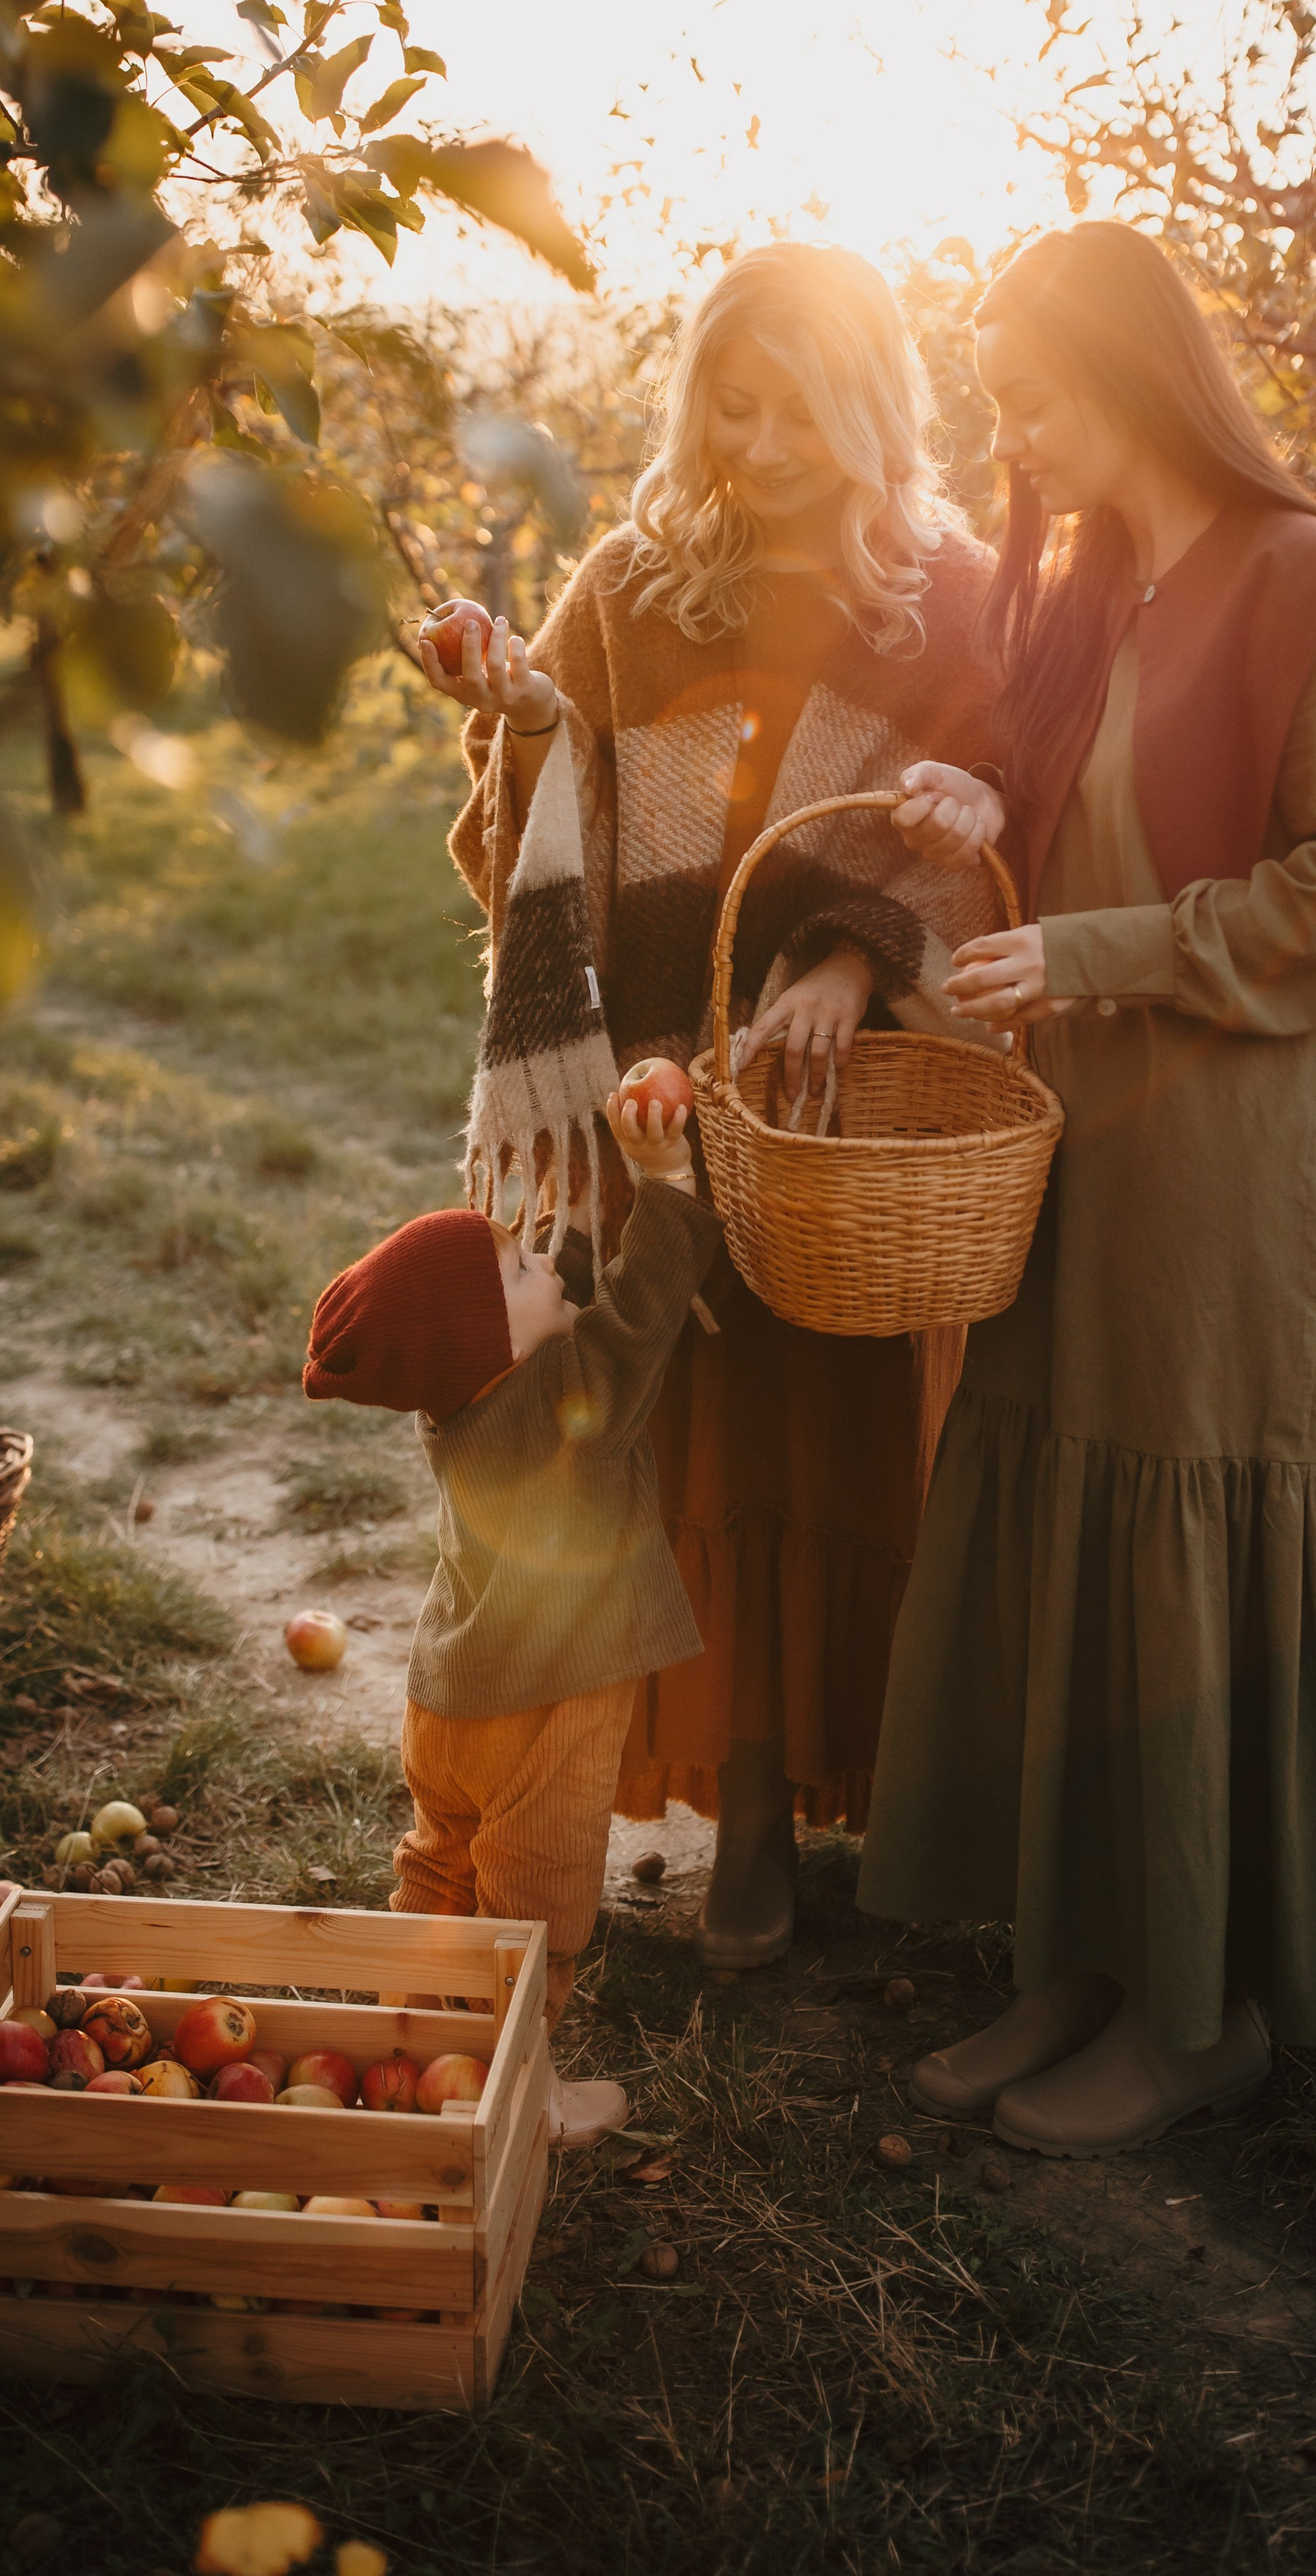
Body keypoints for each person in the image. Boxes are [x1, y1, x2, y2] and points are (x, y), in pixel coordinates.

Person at [862, 219, 1316, 2154]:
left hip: (1225, 1158)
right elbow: (1069, 825)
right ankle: (1086, 1953)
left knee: (1175, 1509)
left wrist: (1112, 954)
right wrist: (976, 805)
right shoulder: (1096, 590)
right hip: (1079, 1136)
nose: (1010, 437)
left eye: (1032, 393)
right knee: (1063, 1488)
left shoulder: (1312, 588)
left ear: (1130, 369)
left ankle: (1199, 2008)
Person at [416, 242, 1001, 1970]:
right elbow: (553, 811)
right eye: (722, 406)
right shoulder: (635, 579)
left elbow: (975, 811)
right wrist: (512, 712)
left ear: (864, 401)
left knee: (833, 1429)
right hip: (658, 1099)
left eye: (787, 409)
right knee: (697, 1433)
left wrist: (846, 954)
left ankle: (863, 1786)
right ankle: (739, 1794)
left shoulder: (942, 597)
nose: (749, 443)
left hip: (835, 1106)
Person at [302, 1079, 722, 2146]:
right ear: (497, 1337)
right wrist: (667, 1190)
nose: (550, 1261)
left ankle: (399, 2035)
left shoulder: (460, 1408)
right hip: (549, 1706)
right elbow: (636, 1326)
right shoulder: (566, 1408)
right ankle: (525, 2094)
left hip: (449, 1702)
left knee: (440, 1865)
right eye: (526, 1266)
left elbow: (557, 1311)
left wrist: (555, 1258)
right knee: (539, 1910)